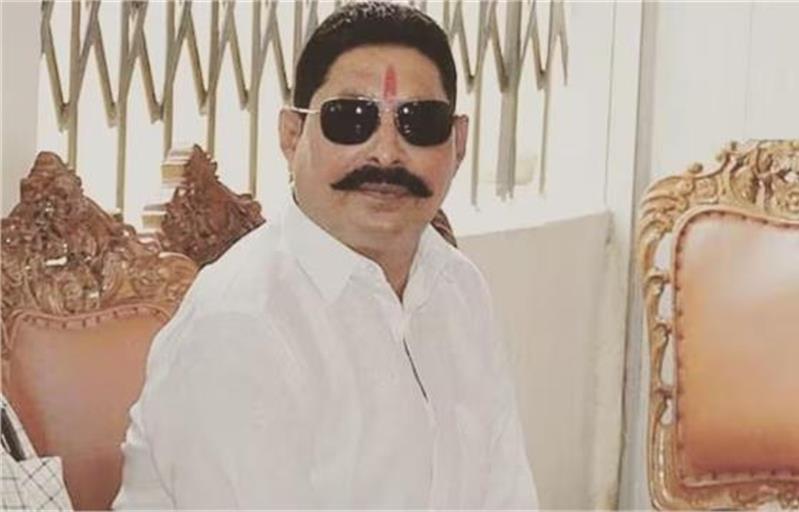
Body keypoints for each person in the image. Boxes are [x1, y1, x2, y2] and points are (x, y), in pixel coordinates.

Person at [113, 1, 537, 509]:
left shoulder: (458, 287)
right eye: (351, 120)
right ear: (292, 136)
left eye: (419, 122)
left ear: (458, 141)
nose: (386, 153)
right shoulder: (241, 322)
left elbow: (506, 495)